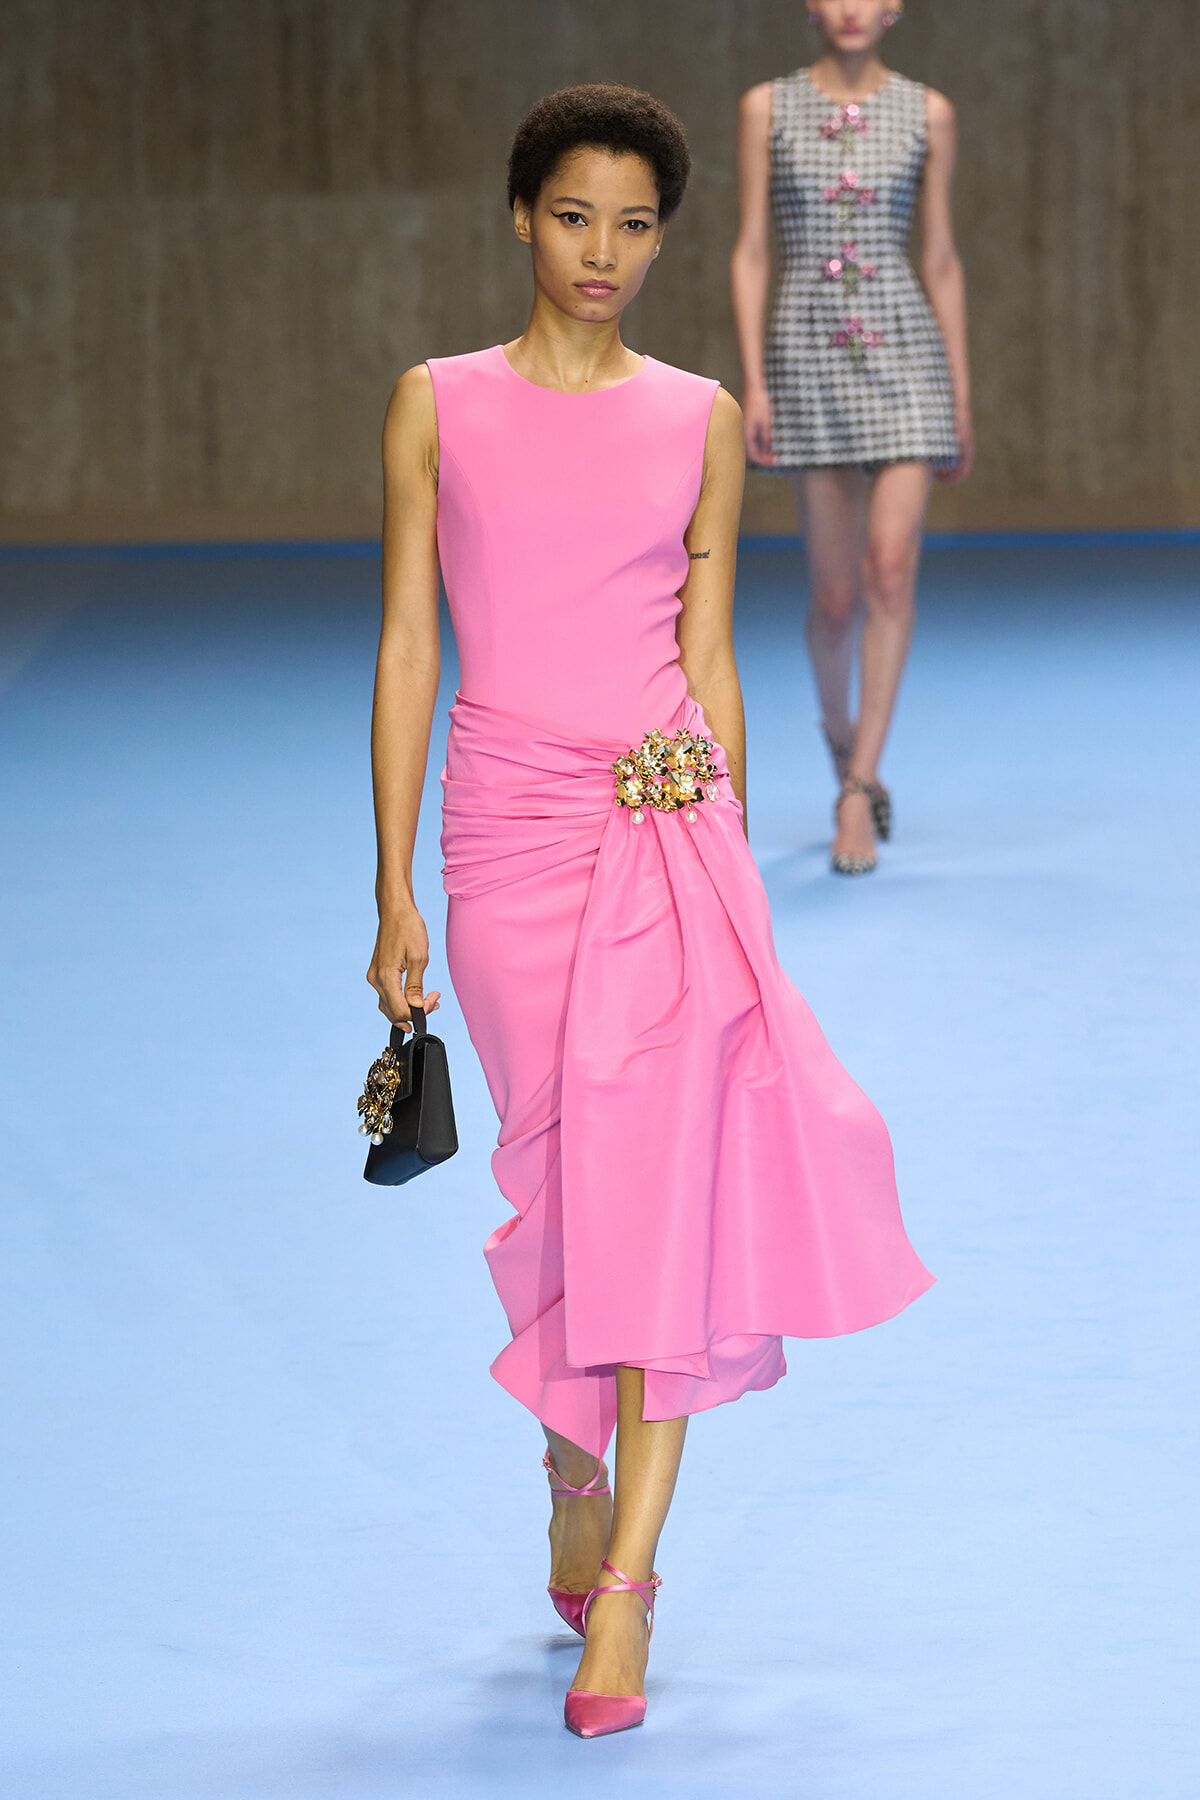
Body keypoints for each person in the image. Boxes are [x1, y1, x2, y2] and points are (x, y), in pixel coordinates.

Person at [368, 82, 933, 1738]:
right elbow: (409, 646)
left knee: (657, 1201)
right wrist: (390, 887)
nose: (601, 251)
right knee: (556, 1183)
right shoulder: (436, 405)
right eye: (573, 217)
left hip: (667, 839)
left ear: (663, 240)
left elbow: (707, 656)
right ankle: (571, 1464)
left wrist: (737, 863)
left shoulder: (698, 416)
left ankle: (629, 1586)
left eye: (632, 225)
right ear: (520, 217)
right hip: (503, 843)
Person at [731, 0, 973, 874]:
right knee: (835, 600)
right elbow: (751, 249)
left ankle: (858, 790)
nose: (851, 7)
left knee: (890, 570)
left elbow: (939, 256)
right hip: (807, 352)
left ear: (894, 7)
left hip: (907, 353)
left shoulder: (928, 111)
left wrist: (960, 395)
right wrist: (755, 379)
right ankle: (842, 742)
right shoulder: (766, 107)